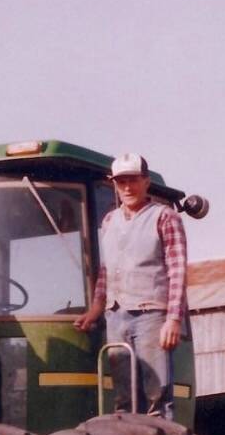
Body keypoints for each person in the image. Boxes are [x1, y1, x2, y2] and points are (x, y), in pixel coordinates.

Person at [74, 153, 187, 420]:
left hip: (151, 316)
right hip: (116, 316)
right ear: (113, 183)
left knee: (155, 397)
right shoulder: (109, 222)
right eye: (121, 181)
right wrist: (95, 310)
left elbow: (178, 270)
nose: (127, 187)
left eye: (133, 180)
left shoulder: (165, 217)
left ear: (145, 182)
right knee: (124, 397)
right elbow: (105, 271)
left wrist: (172, 320)